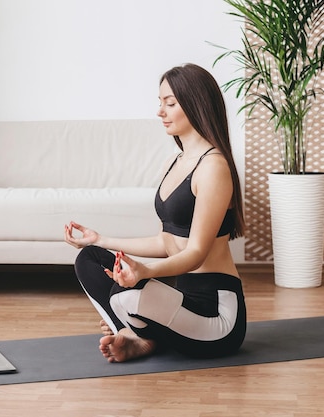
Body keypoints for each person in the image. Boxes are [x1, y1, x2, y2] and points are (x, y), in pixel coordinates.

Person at [64, 63, 246, 363]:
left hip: (215, 314)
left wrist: (145, 272)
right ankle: (136, 332)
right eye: (160, 103)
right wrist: (101, 238)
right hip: (181, 300)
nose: (160, 112)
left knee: (126, 294)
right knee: (91, 258)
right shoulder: (173, 163)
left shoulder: (214, 167)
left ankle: (132, 330)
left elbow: (197, 252)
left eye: (170, 103)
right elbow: (166, 242)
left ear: (195, 103)